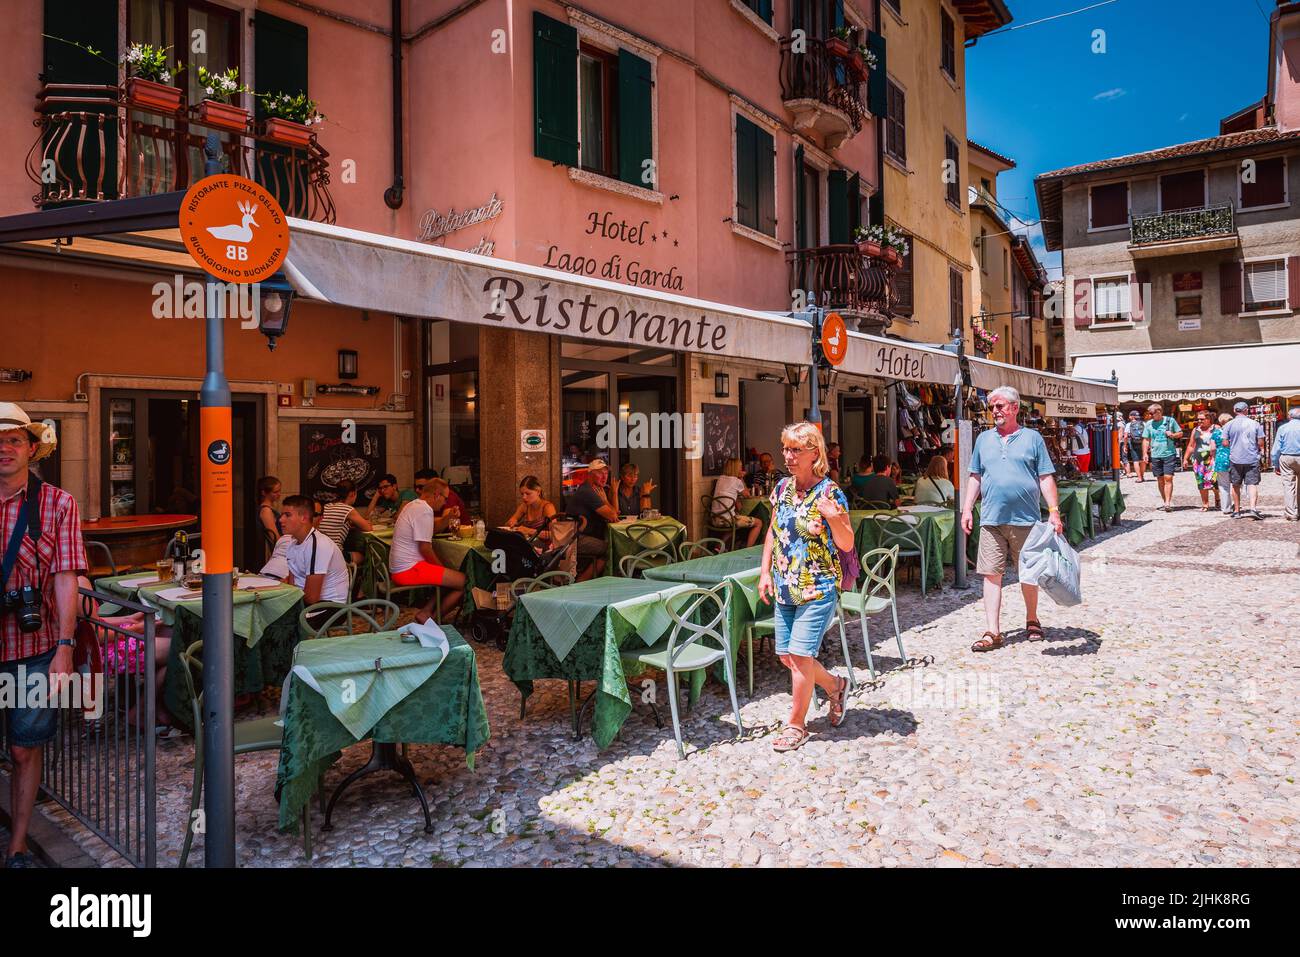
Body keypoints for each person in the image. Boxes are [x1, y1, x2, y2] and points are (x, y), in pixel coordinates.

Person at [0, 403, 86, 869]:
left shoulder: (58, 503)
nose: (4, 449)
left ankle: (16, 846)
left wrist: (66, 647)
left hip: (34, 645)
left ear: (33, 449)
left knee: (24, 745)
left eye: (14, 440)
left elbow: (66, 575)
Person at [758, 421, 854, 753]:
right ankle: (836, 685)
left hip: (818, 586)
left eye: (795, 449)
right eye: (785, 448)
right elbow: (774, 530)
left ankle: (795, 724)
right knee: (786, 656)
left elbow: (846, 542)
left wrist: (833, 518)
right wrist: (764, 572)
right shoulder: (782, 488)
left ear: (814, 453)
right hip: (785, 584)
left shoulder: (830, 493)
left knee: (800, 655)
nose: (787, 456)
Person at [960, 386, 1063, 653]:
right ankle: (992, 632)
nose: (995, 411)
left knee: (1027, 574)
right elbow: (975, 476)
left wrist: (1053, 511)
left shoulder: (1033, 438)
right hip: (992, 519)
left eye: (1000, 406)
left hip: (1025, 519)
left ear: (1015, 407)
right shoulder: (983, 439)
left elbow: (1045, 477)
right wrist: (967, 508)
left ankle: (1032, 619)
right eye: (992, 406)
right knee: (991, 575)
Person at [388, 480, 466, 623]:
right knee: (464, 582)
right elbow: (424, 548)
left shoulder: (413, 505)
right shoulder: (424, 510)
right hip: (408, 569)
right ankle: (432, 621)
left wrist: (448, 517)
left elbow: (431, 530)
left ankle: (425, 612)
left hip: (399, 568)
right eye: (445, 498)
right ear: (436, 495)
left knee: (448, 576)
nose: (445, 503)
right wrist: (442, 569)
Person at [279, 496, 352, 629]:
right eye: (282, 515)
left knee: (280, 625)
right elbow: (292, 584)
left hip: (330, 607)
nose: (281, 520)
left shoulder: (317, 545)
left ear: (304, 518)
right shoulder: (292, 543)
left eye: (287, 515)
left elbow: (312, 598)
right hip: (307, 602)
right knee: (266, 615)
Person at [568, 458, 619, 580]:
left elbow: (615, 514)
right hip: (576, 539)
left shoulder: (597, 490)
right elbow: (613, 516)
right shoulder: (588, 491)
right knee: (612, 550)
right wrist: (606, 500)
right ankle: (581, 583)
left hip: (584, 536)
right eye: (600, 473)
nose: (604, 476)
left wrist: (613, 494)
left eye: (606, 473)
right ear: (589, 474)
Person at [1224, 401, 1267, 520]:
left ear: (1234, 411)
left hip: (1235, 458)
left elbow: (1225, 442)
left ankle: (1237, 511)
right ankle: (1253, 508)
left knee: (1236, 485)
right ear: (1246, 410)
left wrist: (1234, 445)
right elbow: (1261, 442)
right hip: (1251, 458)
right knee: (1252, 484)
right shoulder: (1255, 424)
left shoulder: (1229, 425)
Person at [317, 481, 372, 564]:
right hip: (335, 555)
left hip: (320, 553)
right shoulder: (347, 509)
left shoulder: (326, 506)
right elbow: (368, 528)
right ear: (352, 494)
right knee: (365, 557)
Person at [711, 458, 762, 548]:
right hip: (728, 521)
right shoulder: (736, 481)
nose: (741, 469)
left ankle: (718, 548)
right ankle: (747, 549)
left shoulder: (720, 478)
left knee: (735, 518)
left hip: (715, 518)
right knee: (759, 523)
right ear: (736, 468)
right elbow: (747, 495)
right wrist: (741, 478)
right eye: (740, 467)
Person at [1142, 403, 1182, 512]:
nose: (1150, 416)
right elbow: (1146, 439)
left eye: (1151, 413)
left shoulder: (1170, 421)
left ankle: (1168, 502)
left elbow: (1180, 433)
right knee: (1160, 479)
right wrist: (1145, 453)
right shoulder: (1148, 424)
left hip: (1169, 453)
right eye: (1149, 414)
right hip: (1155, 454)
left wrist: (1173, 435)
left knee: (1168, 478)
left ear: (1159, 412)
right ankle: (1165, 501)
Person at [1181, 411, 1224, 512]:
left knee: (1214, 481)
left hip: (1213, 459)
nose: (1199, 421)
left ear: (1209, 419)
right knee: (1201, 482)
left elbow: (1222, 442)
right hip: (1198, 460)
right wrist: (1185, 459)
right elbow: (1191, 445)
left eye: (1202, 419)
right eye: (1198, 419)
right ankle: (1205, 504)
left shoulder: (1216, 428)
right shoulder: (1195, 430)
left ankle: (1217, 498)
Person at [1272, 407, 1300, 521]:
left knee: (1289, 485)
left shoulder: (1283, 428)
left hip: (1287, 457)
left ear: (1289, 416)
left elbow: (1276, 448)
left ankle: (1292, 512)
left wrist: (1275, 463)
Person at [256, 476, 283, 552]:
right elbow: (274, 536)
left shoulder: (269, 509)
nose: (279, 494)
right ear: (264, 493)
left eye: (279, 491)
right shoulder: (266, 511)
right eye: (275, 492)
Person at [1215, 413, 1234, 516]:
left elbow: (1212, 448)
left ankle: (1226, 508)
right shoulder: (1234, 432)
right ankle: (1236, 504)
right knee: (1236, 483)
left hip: (1221, 460)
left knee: (1223, 486)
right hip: (1234, 459)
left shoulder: (1217, 433)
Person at [1122, 410, 1146, 481]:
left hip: (1133, 443)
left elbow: (1125, 436)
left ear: (1132, 417)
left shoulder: (1129, 424)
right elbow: (1148, 435)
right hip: (1142, 443)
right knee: (1142, 460)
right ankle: (1142, 476)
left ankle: (1139, 478)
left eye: (1129, 415)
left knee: (1135, 460)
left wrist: (1125, 445)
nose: (1129, 417)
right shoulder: (1144, 423)